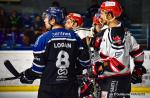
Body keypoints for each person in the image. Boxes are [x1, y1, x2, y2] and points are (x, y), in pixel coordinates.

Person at [19, 7, 90, 98]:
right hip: (70, 86)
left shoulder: (43, 38)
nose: (44, 20)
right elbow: (85, 62)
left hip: (49, 88)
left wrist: (27, 75)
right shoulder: (75, 36)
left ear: (52, 20)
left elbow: (38, 69)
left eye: (46, 17)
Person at [93, 1, 146, 98]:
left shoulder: (114, 35)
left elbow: (118, 64)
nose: (100, 15)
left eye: (102, 12)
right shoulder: (125, 31)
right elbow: (138, 52)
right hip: (123, 80)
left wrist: (98, 68)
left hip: (113, 81)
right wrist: (138, 68)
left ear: (109, 15)